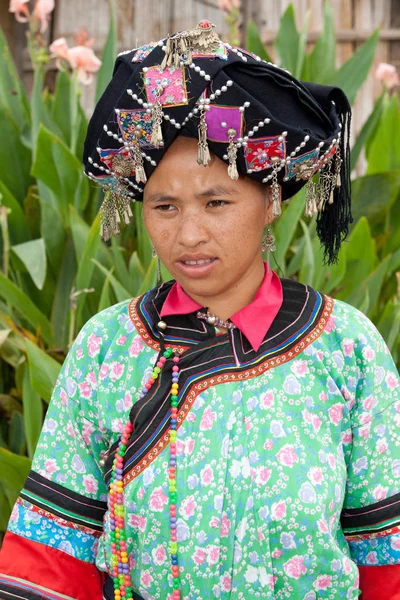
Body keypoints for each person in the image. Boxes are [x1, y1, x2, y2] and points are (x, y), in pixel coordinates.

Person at [0, 19, 399, 600]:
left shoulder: (346, 348)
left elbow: (387, 555)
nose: (188, 234)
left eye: (217, 202)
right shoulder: (108, 348)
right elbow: (49, 558)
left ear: (271, 201)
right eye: (164, 205)